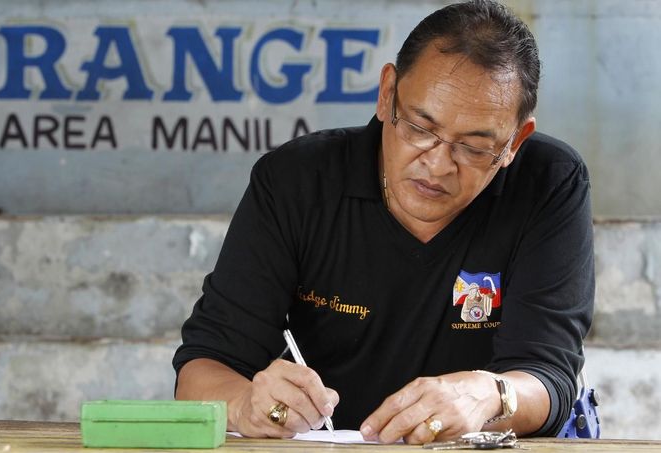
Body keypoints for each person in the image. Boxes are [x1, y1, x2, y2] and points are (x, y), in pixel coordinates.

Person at [173, 0, 594, 445]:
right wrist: (247, 404)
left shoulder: (548, 182)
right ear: (387, 93)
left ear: (514, 143)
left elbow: (548, 377)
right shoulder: (298, 182)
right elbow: (203, 369)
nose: (437, 165)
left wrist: (490, 394)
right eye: (419, 127)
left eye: (473, 147)